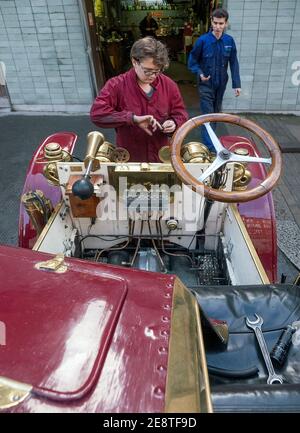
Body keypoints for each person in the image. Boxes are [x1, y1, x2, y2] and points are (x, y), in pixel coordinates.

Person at [90, 37, 188, 162]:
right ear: (134, 62)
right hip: (129, 157)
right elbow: (97, 114)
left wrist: (174, 122)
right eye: (147, 71)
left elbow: (181, 113)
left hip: (161, 156)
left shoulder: (169, 85)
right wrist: (132, 119)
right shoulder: (116, 85)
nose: (152, 76)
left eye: (157, 71)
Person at [188, 8, 241, 151]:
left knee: (216, 113)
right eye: (215, 23)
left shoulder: (229, 41)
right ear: (211, 21)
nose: (218, 27)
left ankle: (211, 138)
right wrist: (199, 73)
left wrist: (237, 84)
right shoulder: (202, 41)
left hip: (221, 83)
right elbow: (192, 60)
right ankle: (210, 146)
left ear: (226, 23)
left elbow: (234, 62)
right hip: (206, 83)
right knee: (208, 115)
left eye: (221, 23)